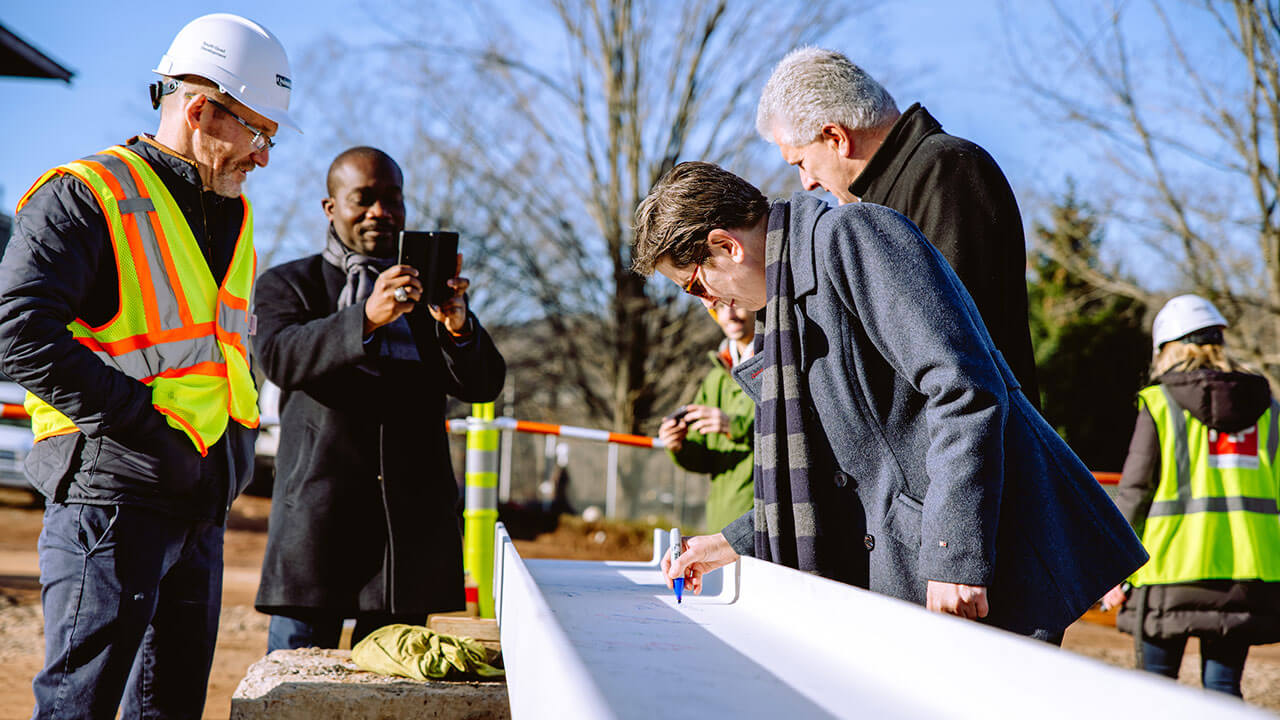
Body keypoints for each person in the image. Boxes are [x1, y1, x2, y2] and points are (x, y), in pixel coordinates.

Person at [632, 161, 1146, 640]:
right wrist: (727, 544)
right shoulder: (783, 317)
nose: (707, 303)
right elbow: (835, 472)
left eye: (696, 285)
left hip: (976, 572)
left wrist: (954, 555)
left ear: (726, 245)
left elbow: (965, 389)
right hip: (906, 581)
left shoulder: (854, 237)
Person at [0, 13, 297, 718]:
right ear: (200, 110)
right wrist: (146, 430)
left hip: (198, 504)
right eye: (257, 133)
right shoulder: (86, 195)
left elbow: (214, 355)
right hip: (111, 503)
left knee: (168, 707)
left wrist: (228, 454)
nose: (263, 157)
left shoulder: (233, 211)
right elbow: (18, 332)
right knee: (82, 705)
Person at [253, 146, 506, 652]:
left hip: (405, 542)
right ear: (331, 208)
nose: (381, 213)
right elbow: (280, 358)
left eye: (393, 199)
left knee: (392, 695)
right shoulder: (288, 284)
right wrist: (365, 318)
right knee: (293, 697)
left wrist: (458, 327)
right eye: (363, 199)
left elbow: (482, 386)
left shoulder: (427, 292)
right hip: (316, 532)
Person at [757, 47, 1039, 406]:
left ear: (836, 138)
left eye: (801, 162)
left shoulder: (946, 171)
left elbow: (950, 349)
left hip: (981, 450)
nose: (807, 182)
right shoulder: (899, 189)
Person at [1102, 295, 1280, 697]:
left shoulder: (1160, 403)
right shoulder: (1268, 408)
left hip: (1166, 570)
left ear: (1168, 348)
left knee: (1156, 695)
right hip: (1245, 573)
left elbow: (1135, 491)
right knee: (1222, 692)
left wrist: (1112, 567)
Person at [659, 302, 756, 532]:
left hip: (766, 525)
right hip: (720, 525)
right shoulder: (714, 379)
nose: (729, 315)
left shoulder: (780, 363)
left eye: (736, 304)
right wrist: (678, 446)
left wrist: (734, 426)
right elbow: (704, 460)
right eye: (720, 307)